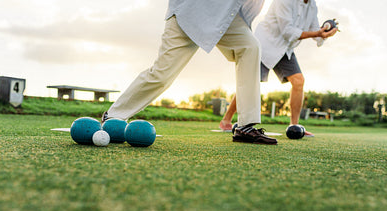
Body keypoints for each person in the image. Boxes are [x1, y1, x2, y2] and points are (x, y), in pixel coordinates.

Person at [102, 0, 277, 145]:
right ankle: (114, 116)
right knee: (162, 75)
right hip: (190, 13)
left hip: (226, 17)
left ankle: (245, 127)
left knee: (250, 46)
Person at [219, 0, 338, 137]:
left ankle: (294, 125)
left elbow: (315, 30)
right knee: (252, 83)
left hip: (286, 49)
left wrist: (324, 33)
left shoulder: (312, 5)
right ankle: (226, 119)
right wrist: (318, 34)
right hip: (265, 44)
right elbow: (287, 31)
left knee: (298, 81)